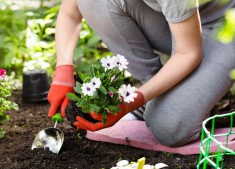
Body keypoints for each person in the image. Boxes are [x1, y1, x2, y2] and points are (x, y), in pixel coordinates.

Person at [47, 0, 235, 147]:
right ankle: (158, 92)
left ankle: (171, 100)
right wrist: (63, 70)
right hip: (181, 23)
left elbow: (188, 53)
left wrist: (131, 103)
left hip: (225, 26)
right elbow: (70, 12)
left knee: (168, 128)